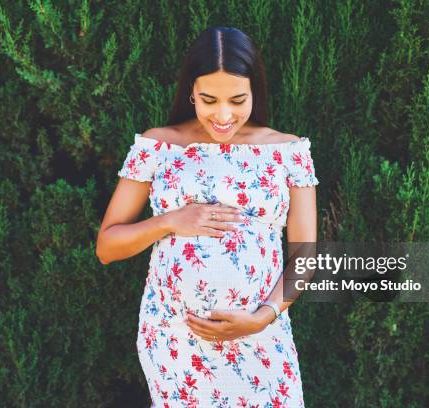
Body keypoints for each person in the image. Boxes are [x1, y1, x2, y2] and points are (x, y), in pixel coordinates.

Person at [96, 26, 319, 408]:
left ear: (255, 92)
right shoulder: (158, 145)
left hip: (260, 339)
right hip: (175, 341)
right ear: (190, 93)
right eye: (208, 99)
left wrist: (263, 317)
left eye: (237, 99)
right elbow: (106, 247)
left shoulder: (288, 152)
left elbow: (306, 256)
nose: (223, 114)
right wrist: (170, 221)